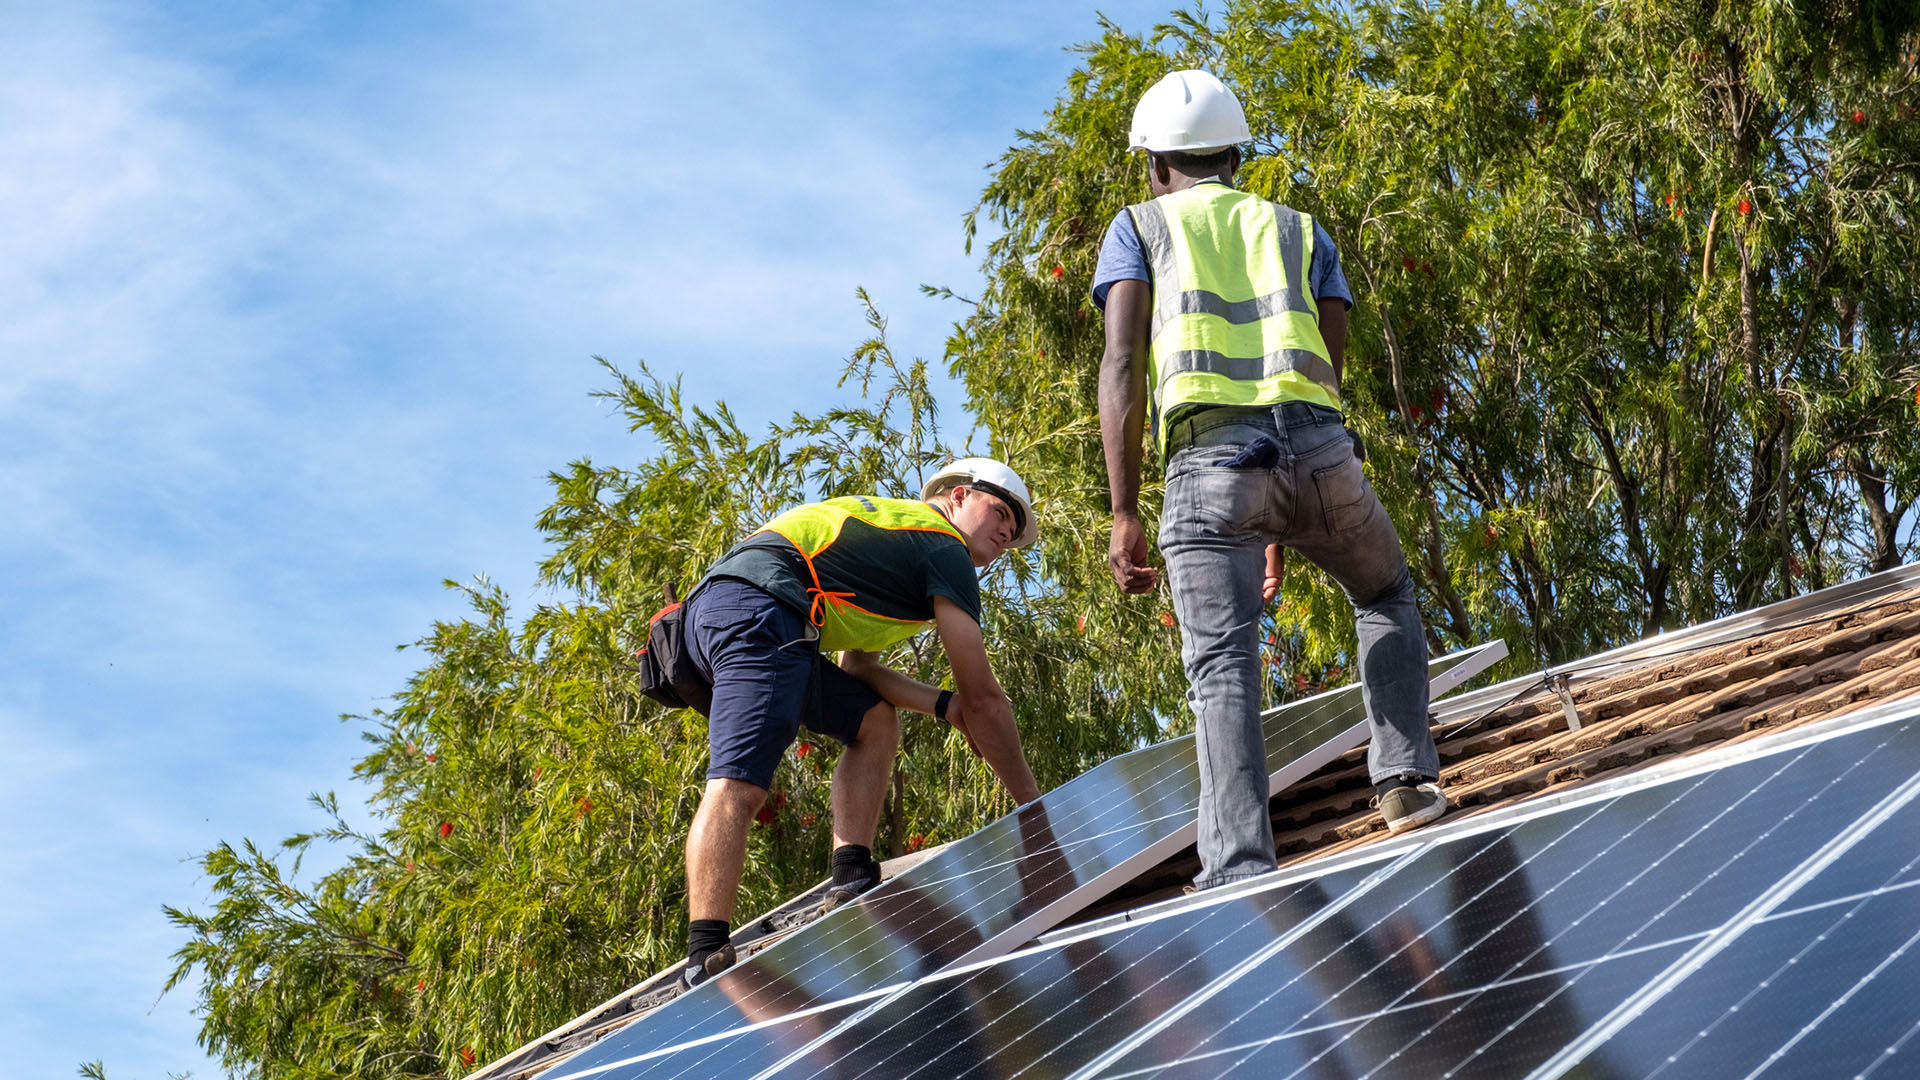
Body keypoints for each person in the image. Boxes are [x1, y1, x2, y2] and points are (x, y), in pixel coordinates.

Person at [1093, 70, 1447, 892]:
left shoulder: (1139, 226)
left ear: (1155, 163)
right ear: (1234, 156)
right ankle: (1403, 780)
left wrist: (1122, 510)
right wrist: (1292, 505)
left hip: (1213, 466)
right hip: (1321, 450)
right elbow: (1328, 357)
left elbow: (1121, 363)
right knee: (1385, 594)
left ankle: (1238, 864)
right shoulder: (1297, 228)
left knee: (1223, 663)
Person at [674, 458, 1044, 988]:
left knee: (873, 720)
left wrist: (944, 707)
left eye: (1014, 533)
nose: (1008, 533)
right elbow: (984, 697)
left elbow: (861, 670)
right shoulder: (944, 546)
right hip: (759, 610)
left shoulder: (897, 545)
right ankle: (704, 953)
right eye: (1001, 512)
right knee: (740, 781)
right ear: (959, 497)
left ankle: (851, 873)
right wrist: (1034, 810)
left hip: (736, 612)